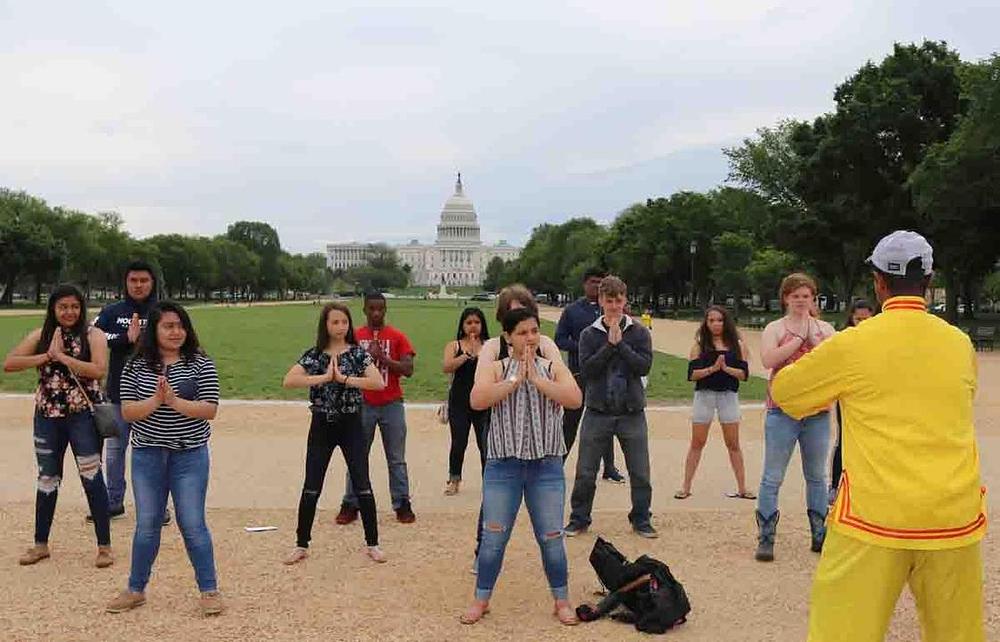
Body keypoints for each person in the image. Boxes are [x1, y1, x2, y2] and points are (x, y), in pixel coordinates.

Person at [771, 231, 987, 642]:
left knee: (841, 631)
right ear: (929, 279)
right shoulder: (959, 344)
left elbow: (785, 393)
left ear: (878, 282)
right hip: (952, 514)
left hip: (875, 516)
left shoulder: (854, 343)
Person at [462, 307, 582, 626]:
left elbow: (574, 398)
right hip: (504, 466)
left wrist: (539, 382)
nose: (529, 338)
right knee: (494, 537)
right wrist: (516, 380)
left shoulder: (552, 366)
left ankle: (561, 599)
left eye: (534, 331)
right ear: (508, 337)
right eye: (522, 333)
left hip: (546, 466)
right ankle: (481, 598)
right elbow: (477, 399)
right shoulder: (497, 367)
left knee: (552, 536)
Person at [105, 302, 222, 616]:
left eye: (180, 325)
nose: (176, 331)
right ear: (153, 330)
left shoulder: (200, 363)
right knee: (147, 525)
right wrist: (157, 400)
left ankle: (209, 590)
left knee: (193, 523)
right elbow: (128, 412)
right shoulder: (135, 366)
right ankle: (135, 589)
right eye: (168, 326)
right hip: (147, 456)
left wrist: (174, 401)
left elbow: (209, 409)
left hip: (190, 455)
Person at [4, 284, 113, 568]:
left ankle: (104, 546)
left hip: (83, 417)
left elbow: (99, 369)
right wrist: (46, 355)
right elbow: (10, 363)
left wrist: (63, 357)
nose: (69, 312)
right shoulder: (41, 336)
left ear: (82, 308)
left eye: (74, 307)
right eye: (63, 307)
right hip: (47, 417)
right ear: (53, 309)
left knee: (92, 476)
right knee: (47, 479)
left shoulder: (94, 335)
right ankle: (40, 544)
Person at [282, 303, 387, 565]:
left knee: (363, 484)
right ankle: (301, 543)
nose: (340, 327)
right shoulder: (315, 355)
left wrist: (344, 380)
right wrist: (323, 378)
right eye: (335, 322)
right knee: (311, 486)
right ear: (325, 326)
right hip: (322, 424)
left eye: (344, 322)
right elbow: (289, 380)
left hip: (351, 424)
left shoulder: (357, 355)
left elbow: (378, 382)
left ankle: (372, 543)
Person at [566, 276, 656, 539]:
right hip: (598, 410)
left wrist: (621, 345)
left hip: (631, 411)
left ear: (625, 300)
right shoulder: (589, 334)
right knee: (585, 471)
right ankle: (579, 517)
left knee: (640, 471)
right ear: (601, 301)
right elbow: (588, 370)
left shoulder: (639, 332)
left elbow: (643, 366)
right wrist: (609, 346)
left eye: (618, 300)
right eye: (609, 301)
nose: (614, 306)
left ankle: (641, 518)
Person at [754, 273, 836, 562]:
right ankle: (766, 535)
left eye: (806, 296)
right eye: (796, 296)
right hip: (782, 410)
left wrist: (815, 339)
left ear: (813, 298)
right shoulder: (776, 328)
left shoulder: (824, 328)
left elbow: (835, 361)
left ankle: (818, 531)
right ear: (786, 298)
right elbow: (768, 359)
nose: (801, 301)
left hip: (817, 411)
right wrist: (798, 340)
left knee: (816, 475)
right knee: (772, 476)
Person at [93, 260, 171, 525]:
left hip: (156, 395)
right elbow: (94, 339)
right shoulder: (112, 312)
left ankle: (158, 508)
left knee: (156, 452)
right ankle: (113, 502)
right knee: (115, 452)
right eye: (133, 280)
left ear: (153, 283)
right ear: (125, 283)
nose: (138, 286)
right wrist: (125, 338)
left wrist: (147, 339)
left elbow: (177, 340)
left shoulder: (164, 312)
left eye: (144, 281)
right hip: (118, 394)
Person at [336, 292, 418, 525]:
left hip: (391, 403)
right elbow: (342, 366)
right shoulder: (355, 337)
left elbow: (408, 369)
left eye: (380, 309)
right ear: (364, 309)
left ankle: (402, 503)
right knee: (357, 456)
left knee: (396, 458)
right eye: (371, 309)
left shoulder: (397, 336)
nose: (376, 313)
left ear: (385, 309)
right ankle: (351, 503)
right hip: (362, 404)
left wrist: (383, 357)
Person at [554, 268, 624, 483]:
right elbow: (560, 339)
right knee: (571, 422)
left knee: (607, 420)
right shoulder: (573, 311)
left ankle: (609, 467)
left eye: (600, 283)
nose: (596, 286)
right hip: (579, 373)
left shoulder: (611, 312)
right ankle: (558, 464)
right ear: (585, 284)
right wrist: (584, 347)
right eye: (593, 282)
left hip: (607, 375)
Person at [675, 305, 753, 500]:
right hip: (705, 395)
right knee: (697, 442)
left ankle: (742, 487)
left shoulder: (738, 345)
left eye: (720, 320)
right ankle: (686, 486)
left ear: (726, 322)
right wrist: (712, 369)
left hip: (728, 395)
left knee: (733, 442)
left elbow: (744, 374)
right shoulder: (700, 346)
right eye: (712, 320)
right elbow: (692, 375)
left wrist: (725, 368)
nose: (716, 324)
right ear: (706, 323)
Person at [828, 299, 876, 503]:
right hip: (848, 394)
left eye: (866, 319)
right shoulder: (844, 339)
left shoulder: (880, 339)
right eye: (858, 319)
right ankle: (834, 484)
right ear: (851, 318)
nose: (862, 323)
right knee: (844, 439)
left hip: (872, 394)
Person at [441, 307, 490, 495]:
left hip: (483, 400)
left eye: (477, 322)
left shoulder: (489, 345)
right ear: (462, 325)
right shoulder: (454, 345)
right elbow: (446, 367)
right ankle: (454, 479)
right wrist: (465, 355)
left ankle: (489, 480)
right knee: (458, 442)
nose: (473, 326)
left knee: (485, 443)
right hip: (459, 402)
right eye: (469, 322)